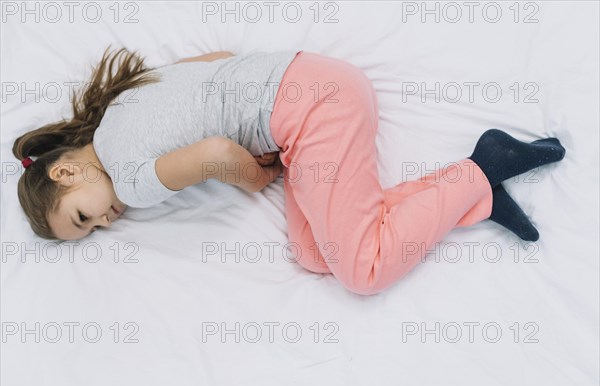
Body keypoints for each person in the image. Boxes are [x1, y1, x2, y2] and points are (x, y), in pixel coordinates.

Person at [12, 47, 566, 295]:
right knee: (312, 252)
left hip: (315, 110)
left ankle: (484, 163)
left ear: (63, 174)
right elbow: (214, 60)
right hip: (310, 86)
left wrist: (257, 175)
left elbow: (219, 157)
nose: (107, 221)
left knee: (362, 273)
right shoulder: (119, 107)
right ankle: (481, 196)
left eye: (83, 218)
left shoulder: (130, 179)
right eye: (92, 230)